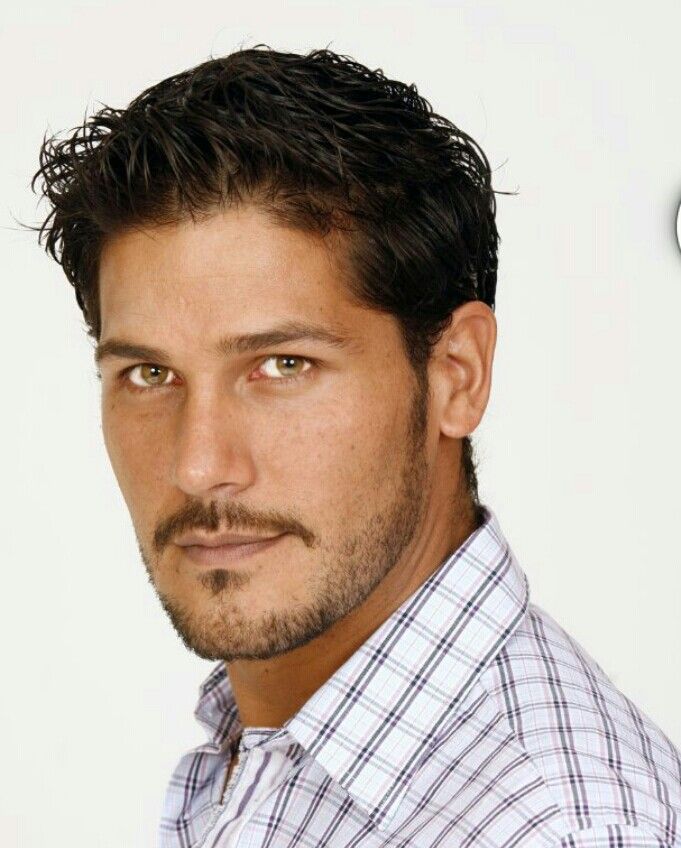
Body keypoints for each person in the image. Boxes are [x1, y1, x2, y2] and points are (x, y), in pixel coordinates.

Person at [31, 45, 681, 848]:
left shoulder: (559, 828)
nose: (198, 466)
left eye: (282, 366)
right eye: (149, 374)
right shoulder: (273, 752)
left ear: (456, 374)